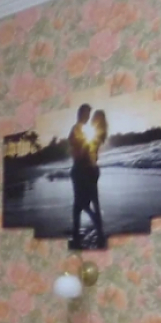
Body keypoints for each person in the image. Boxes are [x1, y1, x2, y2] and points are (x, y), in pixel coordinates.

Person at [68, 103, 98, 248]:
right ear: (81, 114)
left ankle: (76, 231)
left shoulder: (80, 130)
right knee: (81, 203)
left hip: (81, 170)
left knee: (79, 204)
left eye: (88, 115)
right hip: (80, 171)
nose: (88, 117)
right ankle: (95, 222)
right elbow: (78, 153)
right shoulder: (76, 130)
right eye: (86, 114)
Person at [84, 109, 107, 245]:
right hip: (92, 170)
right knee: (93, 202)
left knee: (86, 204)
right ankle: (99, 229)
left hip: (90, 170)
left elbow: (90, 153)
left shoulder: (96, 134)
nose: (93, 119)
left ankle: (99, 228)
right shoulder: (98, 133)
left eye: (95, 117)